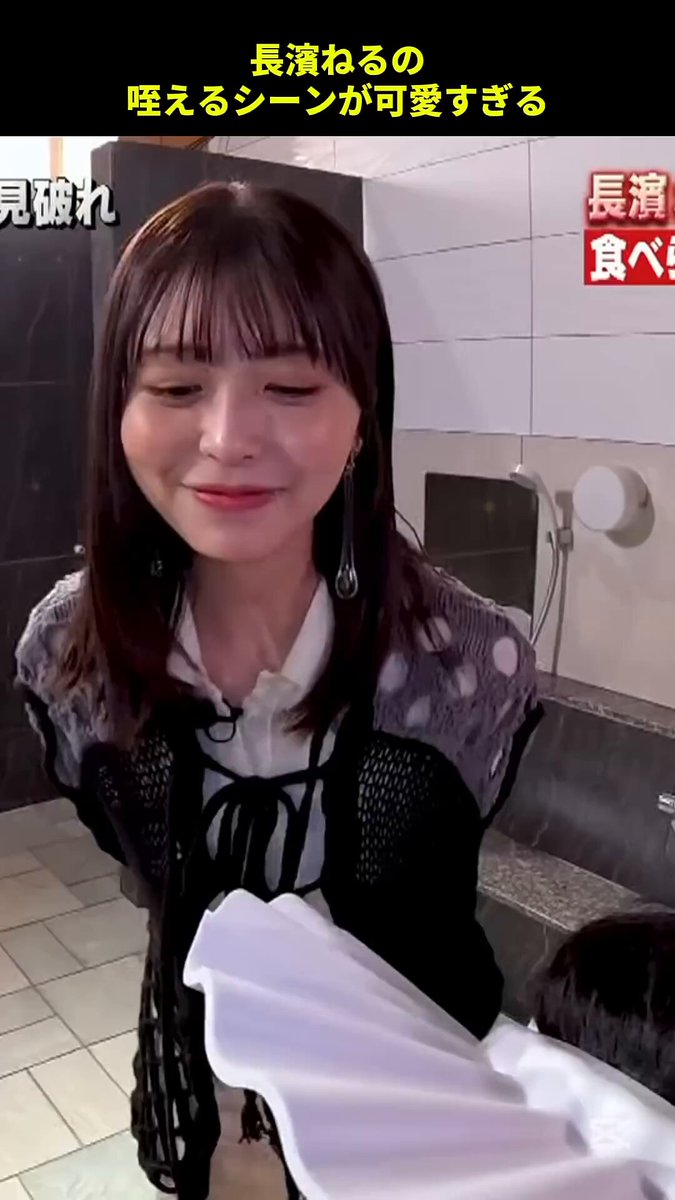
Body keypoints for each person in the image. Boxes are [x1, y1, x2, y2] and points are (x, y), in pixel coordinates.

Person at [15, 181, 542, 1200]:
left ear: (363, 415)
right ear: (119, 410)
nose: (228, 437)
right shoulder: (70, 654)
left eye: (292, 388)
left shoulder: (470, 662)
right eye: (176, 387)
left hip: (420, 1125)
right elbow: (133, 852)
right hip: (194, 1105)